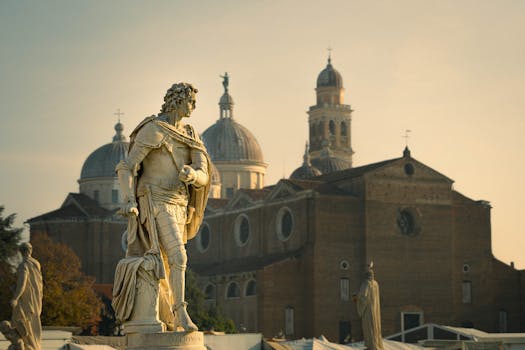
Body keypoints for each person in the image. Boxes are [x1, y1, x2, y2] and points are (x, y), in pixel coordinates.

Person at [114, 82, 210, 332]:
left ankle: (165, 312)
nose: (194, 106)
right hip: (155, 199)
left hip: (180, 203)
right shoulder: (154, 130)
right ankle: (180, 313)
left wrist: (193, 176)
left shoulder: (191, 135)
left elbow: (204, 175)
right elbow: (127, 167)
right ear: (177, 100)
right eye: (190, 101)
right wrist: (128, 199)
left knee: (169, 261)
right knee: (179, 256)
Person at [8, 243, 43, 350]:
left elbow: (23, 282)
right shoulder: (36, 263)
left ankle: (29, 345)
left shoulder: (24, 265)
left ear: (20, 251)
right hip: (36, 298)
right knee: (33, 322)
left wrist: (15, 298)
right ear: (31, 250)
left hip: (27, 299)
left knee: (23, 320)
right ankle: (34, 345)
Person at [354, 263, 383, 350]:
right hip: (375, 310)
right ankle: (376, 344)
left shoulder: (366, 283)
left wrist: (356, 297)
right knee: (375, 328)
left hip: (368, 310)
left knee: (368, 328)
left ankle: (371, 345)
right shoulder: (376, 284)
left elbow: (364, 297)